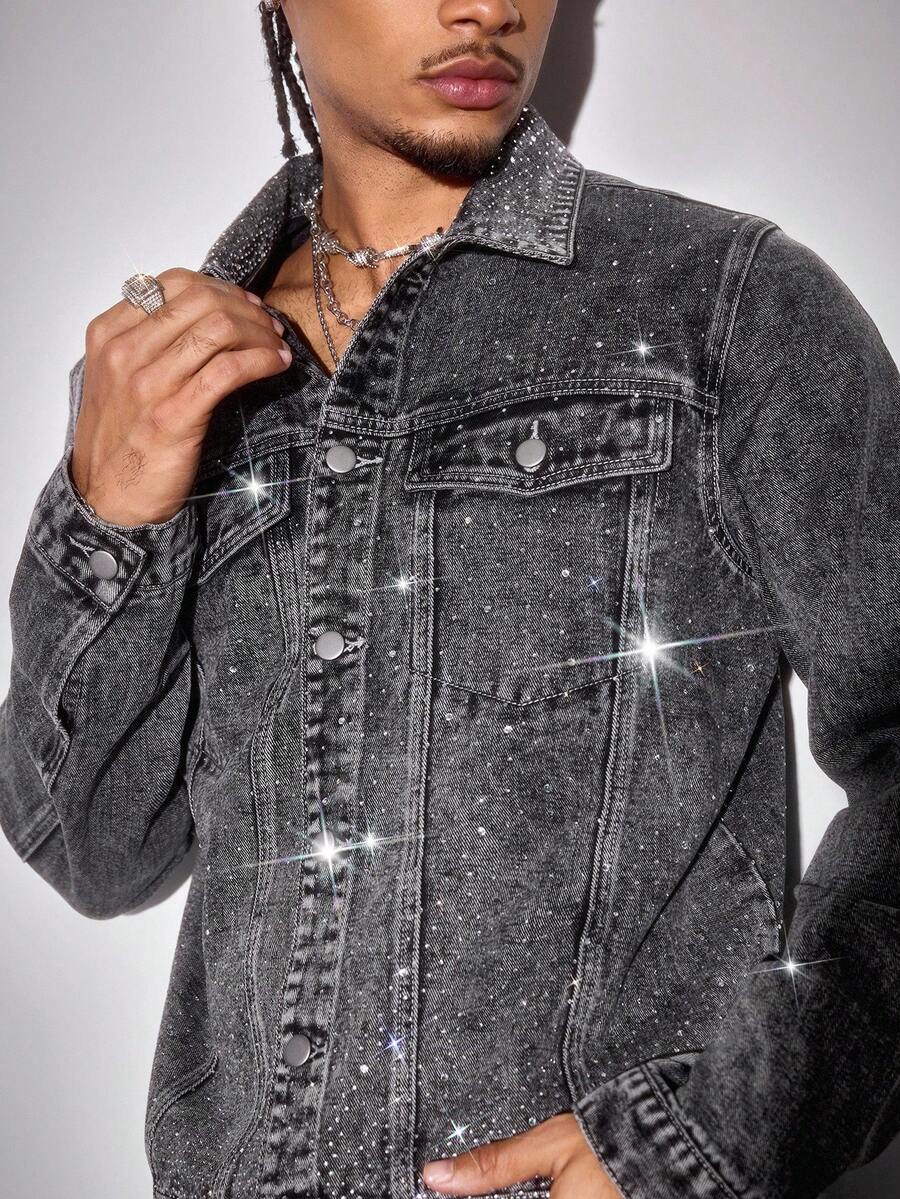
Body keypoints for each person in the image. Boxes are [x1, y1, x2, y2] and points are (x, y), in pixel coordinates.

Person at [1, 1, 898, 1196]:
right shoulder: (174, 378)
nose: (488, 6)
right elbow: (95, 850)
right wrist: (109, 509)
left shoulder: (720, 307)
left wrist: (711, 1133)